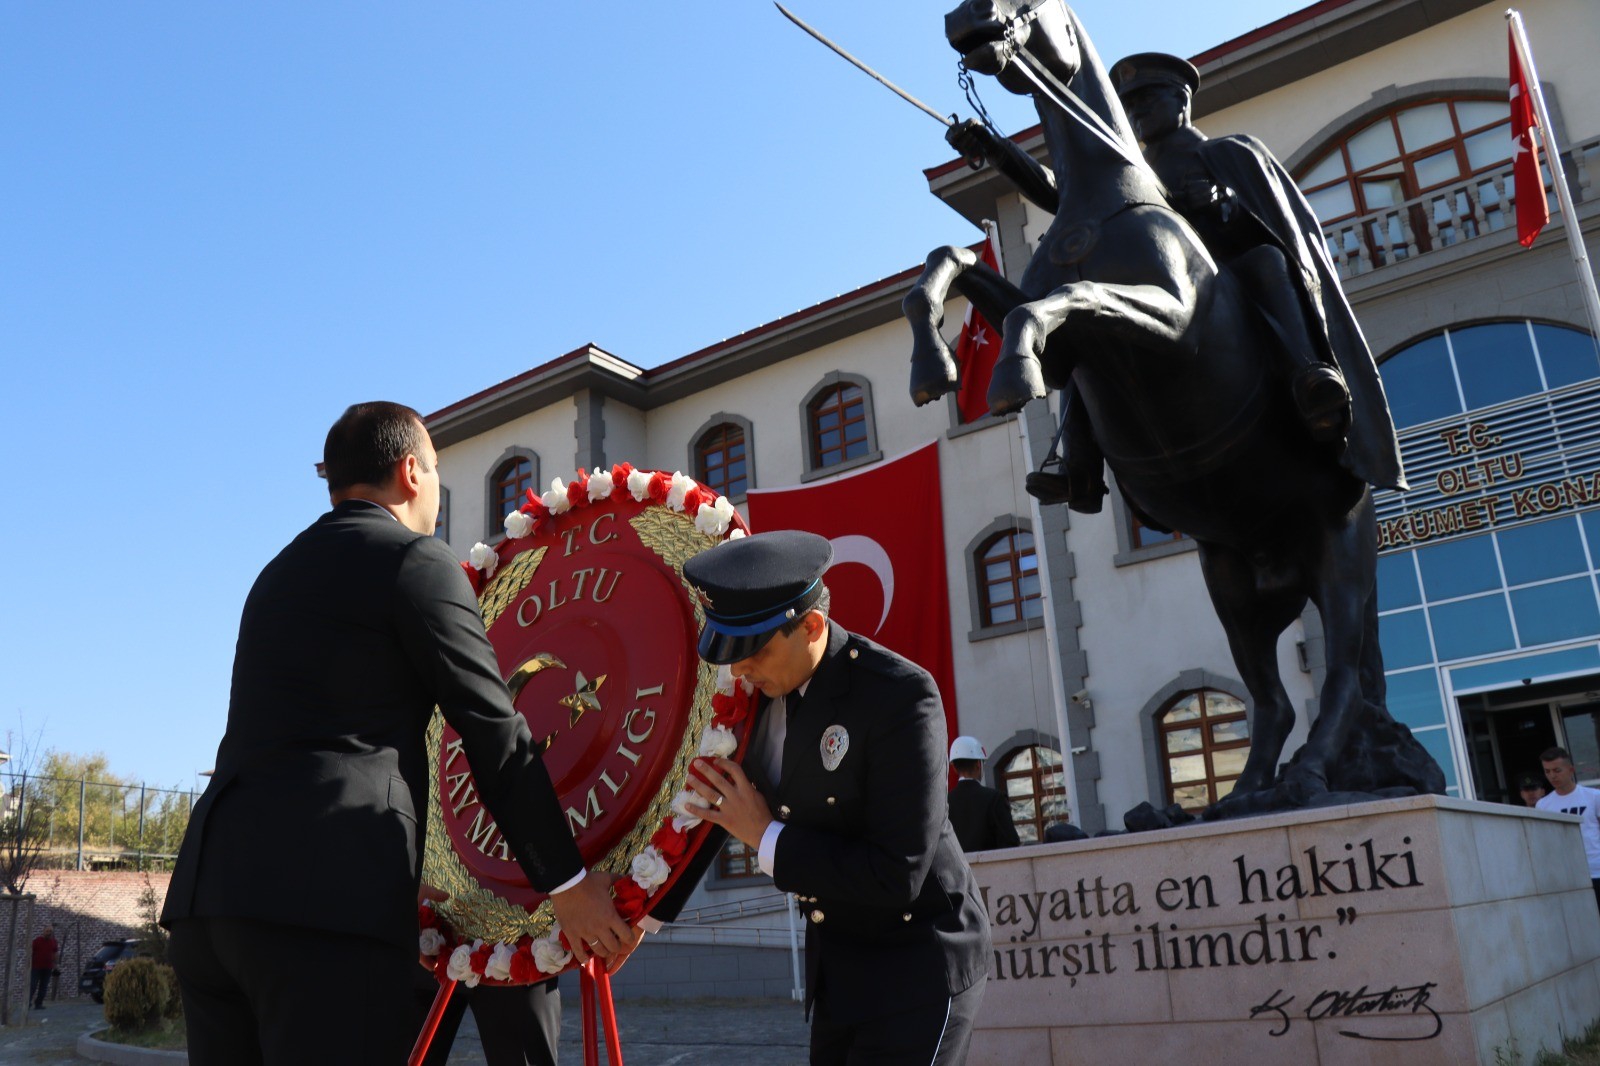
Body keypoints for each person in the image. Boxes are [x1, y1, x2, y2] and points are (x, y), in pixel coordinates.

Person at [161, 402, 637, 1066]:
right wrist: (568, 884)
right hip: (322, 913)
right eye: (438, 469)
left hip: (210, 903)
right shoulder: (414, 560)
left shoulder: (276, 574)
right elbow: (494, 731)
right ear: (412, 472)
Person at [674, 530, 990, 1066]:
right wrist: (644, 914)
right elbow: (720, 802)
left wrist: (764, 836)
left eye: (755, 650)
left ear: (812, 626)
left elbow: (897, 872)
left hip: (915, 964)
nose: (739, 670)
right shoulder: (759, 694)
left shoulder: (898, 695)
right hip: (840, 971)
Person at [1535, 746, 1600, 910]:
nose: (1552, 776)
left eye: (1557, 770)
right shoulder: (1543, 805)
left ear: (1570, 770)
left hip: (1596, 869)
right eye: (1547, 771)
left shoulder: (1593, 797)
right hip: (1567, 874)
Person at [946, 736, 1020, 853]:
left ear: (954, 767)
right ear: (978, 764)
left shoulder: (945, 803)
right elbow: (1010, 842)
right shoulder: (995, 798)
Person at [29, 923, 57, 1010]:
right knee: (33, 985)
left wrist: (56, 965)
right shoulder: (37, 941)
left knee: (43, 986)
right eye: (47, 931)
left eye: (51, 931)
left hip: (48, 967)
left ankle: (39, 1003)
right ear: (43, 932)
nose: (49, 933)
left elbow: (55, 953)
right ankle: (27, 1003)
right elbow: (30, 953)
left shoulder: (53, 942)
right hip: (36, 967)